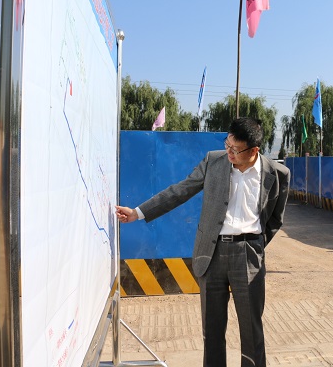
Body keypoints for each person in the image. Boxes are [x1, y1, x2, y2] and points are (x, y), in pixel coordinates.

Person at [115, 117, 290, 367]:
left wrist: (255, 245)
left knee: (252, 331)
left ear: (254, 151)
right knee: (212, 331)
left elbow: (275, 219)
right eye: (227, 144)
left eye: (236, 149)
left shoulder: (277, 174)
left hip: (248, 255)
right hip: (212, 254)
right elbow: (180, 191)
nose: (229, 152)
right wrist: (138, 213)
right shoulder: (214, 161)